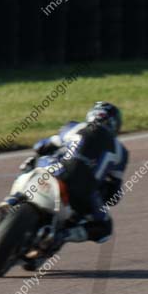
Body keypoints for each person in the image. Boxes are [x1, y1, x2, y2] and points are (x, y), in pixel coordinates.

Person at [20, 101, 128, 263]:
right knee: (104, 229)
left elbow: (40, 146)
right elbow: (114, 192)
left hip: (53, 169)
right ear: (115, 125)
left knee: (32, 162)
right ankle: (63, 235)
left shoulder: (73, 126)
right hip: (83, 189)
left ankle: (14, 198)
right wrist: (101, 194)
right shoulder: (121, 151)